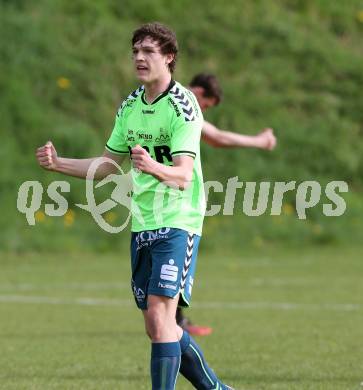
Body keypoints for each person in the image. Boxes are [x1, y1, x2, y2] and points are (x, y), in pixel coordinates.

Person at [36, 23, 233, 390]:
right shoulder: (130, 106)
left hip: (178, 220)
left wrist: (151, 165)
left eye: (149, 51)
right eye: (135, 52)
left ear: (169, 58)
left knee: (161, 318)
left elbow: (183, 176)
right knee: (159, 327)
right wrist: (58, 163)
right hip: (143, 222)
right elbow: (109, 165)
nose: (140, 58)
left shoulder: (184, 105)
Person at [176, 73, 276, 336]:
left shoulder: (171, 101)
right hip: (172, 192)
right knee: (175, 255)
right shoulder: (179, 101)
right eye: (206, 105)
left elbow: (213, 137)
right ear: (197, 92)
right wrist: (260, 141)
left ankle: (174, 319)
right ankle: (175, 322)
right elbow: (217, 138)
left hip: (162, 191)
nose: (203, 110)